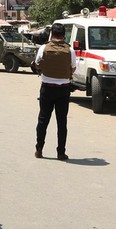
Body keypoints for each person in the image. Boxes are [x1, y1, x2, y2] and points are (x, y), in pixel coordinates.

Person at [34, 22, 76, 160]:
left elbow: (37, 64)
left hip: (47, 88)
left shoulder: (44, 48)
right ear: (64, 35)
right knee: (62, 122)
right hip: (63, 90)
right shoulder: (70, 50)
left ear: (52, 34)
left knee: (43, 120)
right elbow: (73, 68)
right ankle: (61, 152)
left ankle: (39, 149)